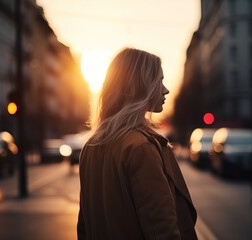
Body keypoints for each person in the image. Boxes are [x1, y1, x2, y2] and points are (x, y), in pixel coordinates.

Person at [77, 48, 197, 240]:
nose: (165, 89)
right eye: (159, 81)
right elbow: (162, 230)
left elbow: (84, 225)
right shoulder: (141, 147)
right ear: (139, 86)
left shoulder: (91, 146)